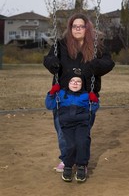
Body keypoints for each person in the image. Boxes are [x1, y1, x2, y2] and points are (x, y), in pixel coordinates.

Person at [43, 13, 115, 173]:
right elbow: (47, 59)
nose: (77, 29)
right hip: (63, 96)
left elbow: (109, 63)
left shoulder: (98, 46)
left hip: (86, 97)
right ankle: (67, 159)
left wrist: (96, 65)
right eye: (74, 26)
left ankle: (80, 160)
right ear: (70, 28)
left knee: (82, 132)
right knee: (63, 132)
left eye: (81, 26)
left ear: (87, 28)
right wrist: (52, 63)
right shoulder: (60, 45)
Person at [45, 68, 99, 182]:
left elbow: (93, 109)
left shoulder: (85, 95)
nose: (75, 83)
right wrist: (51, 93)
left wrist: (94, 101)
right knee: (70, 145)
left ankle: (81, 166)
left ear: (82, 84)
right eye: (72, 81)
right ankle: (68, 165)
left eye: (78, 81)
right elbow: (49, 105)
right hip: (66, 125)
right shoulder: (61, 94)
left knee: (82, 142)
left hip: (82, 124)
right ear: (68, 83)